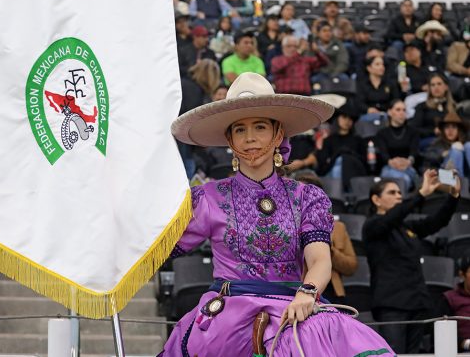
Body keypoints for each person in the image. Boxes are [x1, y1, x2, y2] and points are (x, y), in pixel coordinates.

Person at [163, 72, 393, 356]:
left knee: (323, 335)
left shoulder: (307, 197)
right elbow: (159, 250)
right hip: (230, 313)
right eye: (239, 130)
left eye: (260, 127)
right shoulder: (207, 198)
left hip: (295, 304)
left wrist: (307, 294)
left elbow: (320, 260)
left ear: (278, 133)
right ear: (229, 139)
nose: (250, 139)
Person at [363, 172, 460, 353]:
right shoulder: (372, 226)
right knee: (394, 354)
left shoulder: (405, 227)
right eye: (392, 193)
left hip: (416, 302)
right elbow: (393, 217)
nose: (399, 196)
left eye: (400, 192)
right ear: (376, 200)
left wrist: (453, 197)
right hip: (391, 305)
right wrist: (420, 193)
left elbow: (435, 222)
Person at [292, 174, 357, 304]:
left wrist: (328, 250)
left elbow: (351, 266)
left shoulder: (338, 227)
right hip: (297, 291)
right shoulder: (284, 227)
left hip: (332, 291)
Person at [288, 103, 367, 189]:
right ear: (338, 118)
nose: (347, 121)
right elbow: (322, 164)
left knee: (343, 159)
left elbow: (363, 160)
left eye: (351, 119)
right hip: (332, 172)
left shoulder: (358, 140)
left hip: (354, 171)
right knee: (338, 163)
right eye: (344, 117)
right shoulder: (329, 140)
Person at [376, 100, 420, 189]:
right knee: (402, 179)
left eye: (404, 110)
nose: (402, 113)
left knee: (411, 179)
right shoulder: (382, 133)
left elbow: (414, 151)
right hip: (388, 166)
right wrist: (392, 162)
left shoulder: (413, 132)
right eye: (398, 110)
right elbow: (383, 153)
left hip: (408, 166)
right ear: (390, 112)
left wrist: (408, 161)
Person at [410, 73, 456, 143]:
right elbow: (414, 129)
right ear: (429, 88)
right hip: (430, 141)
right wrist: (432, 131)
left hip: (452, 141)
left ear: (446, 87)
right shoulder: (422, 107)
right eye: (433, 85)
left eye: (439, 84)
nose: (436, 87)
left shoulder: (454, 107)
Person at [422, 112, 470, 177]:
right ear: (443, 130)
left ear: (459, 130)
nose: (450, 131)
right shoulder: (438, 143)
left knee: (468, 146)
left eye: (453, 127)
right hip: (445, 176)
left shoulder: (465, 142)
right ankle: (456, 184)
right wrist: (446, 153)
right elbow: (429, 158)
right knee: (456, 151)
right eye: (447, 127)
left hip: (466, 174)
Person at [443, 257, 470, 353]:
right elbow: (443, 331)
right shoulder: (450, 298)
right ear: (462, 274)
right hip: (461, 351)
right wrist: (465, 343)